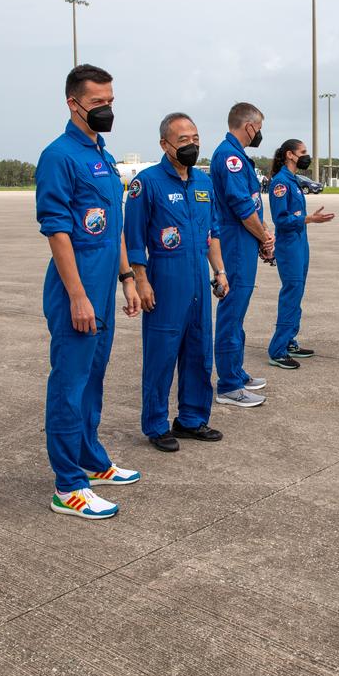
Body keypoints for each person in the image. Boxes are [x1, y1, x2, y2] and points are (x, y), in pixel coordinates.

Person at [36, 64, 142, 521]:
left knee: (93, 380)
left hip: (102, 289)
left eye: (111, 102)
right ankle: (68, 485)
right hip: (74, 292)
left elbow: (112, 224)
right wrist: (77, 294)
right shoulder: (59, 156)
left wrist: (126, 278)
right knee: (69, 383)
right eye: (98, 103)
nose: (107, 109)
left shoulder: (102, 155)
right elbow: (57, 231)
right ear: (73, 103)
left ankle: (92, 461)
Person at [124, 113, 228, 451]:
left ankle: (191, 419)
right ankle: (156, 425)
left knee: (199, 351)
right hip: (165, 277)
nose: (192, 145)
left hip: (199, 276)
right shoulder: (148, 182)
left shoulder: (204, 182)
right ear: (165, 145)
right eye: (184, 140)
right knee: (162, 353)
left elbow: (212, 233)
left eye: (196, 138)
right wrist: (141, 280)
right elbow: (133, 237)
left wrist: (220, 272)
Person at [210, 102, 274, 407]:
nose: (260, 132)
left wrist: (262, 236)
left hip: (244, 244)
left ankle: (235, 370)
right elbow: (242, 208)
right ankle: (229, 386)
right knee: (231, 315)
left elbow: (251, 206)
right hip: (235, 245)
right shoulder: (230, 157)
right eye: (259, 127)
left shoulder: (236, 155)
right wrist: (264, 237)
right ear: (249, 126)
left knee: (237, 315)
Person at [266, 138, 336, 369]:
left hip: (300, 243)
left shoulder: (293, 180)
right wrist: (308, 218)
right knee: (291, 294)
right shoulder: (281, 183)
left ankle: (289, 340)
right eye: (303, 152)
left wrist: (308, 218)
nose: (306, 155)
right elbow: (281, 219)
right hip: (289, 246)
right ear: (290, 155)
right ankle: (277, 350)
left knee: (297, 294)